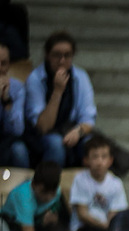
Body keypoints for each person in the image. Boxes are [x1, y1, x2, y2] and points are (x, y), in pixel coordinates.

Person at [26, 31, 97, 167]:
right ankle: (51, 180)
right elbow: (43, 127)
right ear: (47, 55)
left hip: (72, 129)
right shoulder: (35, 78)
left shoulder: (80, 77)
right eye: (56, 55)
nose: (62, 61)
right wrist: (57, 91)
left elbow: (88, 118)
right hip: (41, 136)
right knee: (56, 144)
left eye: (67, 55)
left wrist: (78, 131)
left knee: (93, 145)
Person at [67, 137, 127, 231]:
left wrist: (109, 228)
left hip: (105, 228)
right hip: (84, 228)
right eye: (95, 157)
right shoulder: (80, 179)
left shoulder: (116, 183)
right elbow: (82, 214)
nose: (99, 162)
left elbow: (114, 214)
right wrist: (105, 226)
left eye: (104, 157)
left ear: (110, 160)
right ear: (86, 160)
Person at [1, 161, 68, 231]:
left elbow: (64, 219)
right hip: (12, 226)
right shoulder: (23, 197)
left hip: (38, 226)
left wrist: (55, 220)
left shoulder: (57, 192)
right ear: (35, 185)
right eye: (44, 192)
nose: (48, 198)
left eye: (52, 194)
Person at [0, 42, 25, 166]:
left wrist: (6, 101)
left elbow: (17, 131)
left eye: (3, 63)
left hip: (7, 141)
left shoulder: (17, 87)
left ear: (9, 65)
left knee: (19, 150)